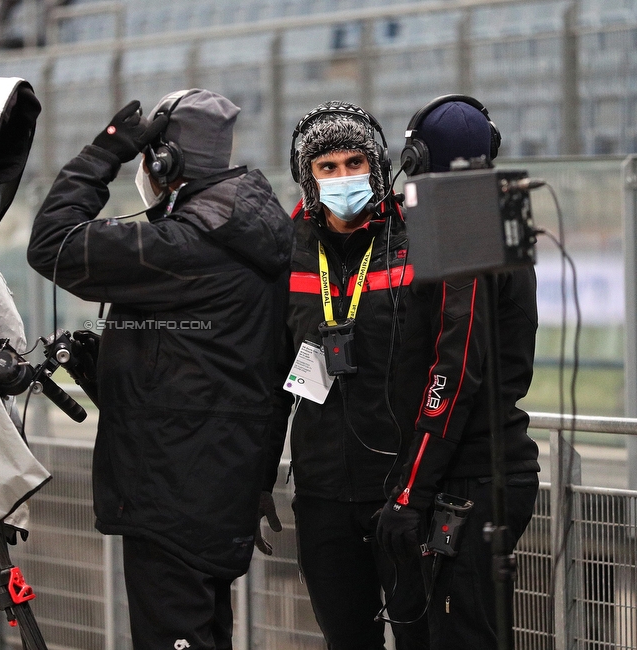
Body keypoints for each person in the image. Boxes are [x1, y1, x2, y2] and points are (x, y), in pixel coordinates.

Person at [26, 89, 293, 649]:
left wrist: (106, 151)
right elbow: (217, 369)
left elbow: (52, 243)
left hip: (173, 494)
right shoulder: (248, 232)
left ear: (163, 160)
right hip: (218, 482)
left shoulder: (185, 243)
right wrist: (113, 365)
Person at [376, 95, 541, 649]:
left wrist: (411, 493)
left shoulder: (466, 222)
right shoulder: (495, 212)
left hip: (473, 478)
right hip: (484, 470)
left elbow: (455, 369)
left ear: (417, 159)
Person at [266, 101, 428, 649]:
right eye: (327, 167)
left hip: (407, 490)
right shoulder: (284, 250)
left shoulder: (415, 238)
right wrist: (259, 473)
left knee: (421, 637)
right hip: (322, 493)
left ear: (378, 165)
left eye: (355, 162)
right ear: (307, 177)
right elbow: (268, 379)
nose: (343, 177)